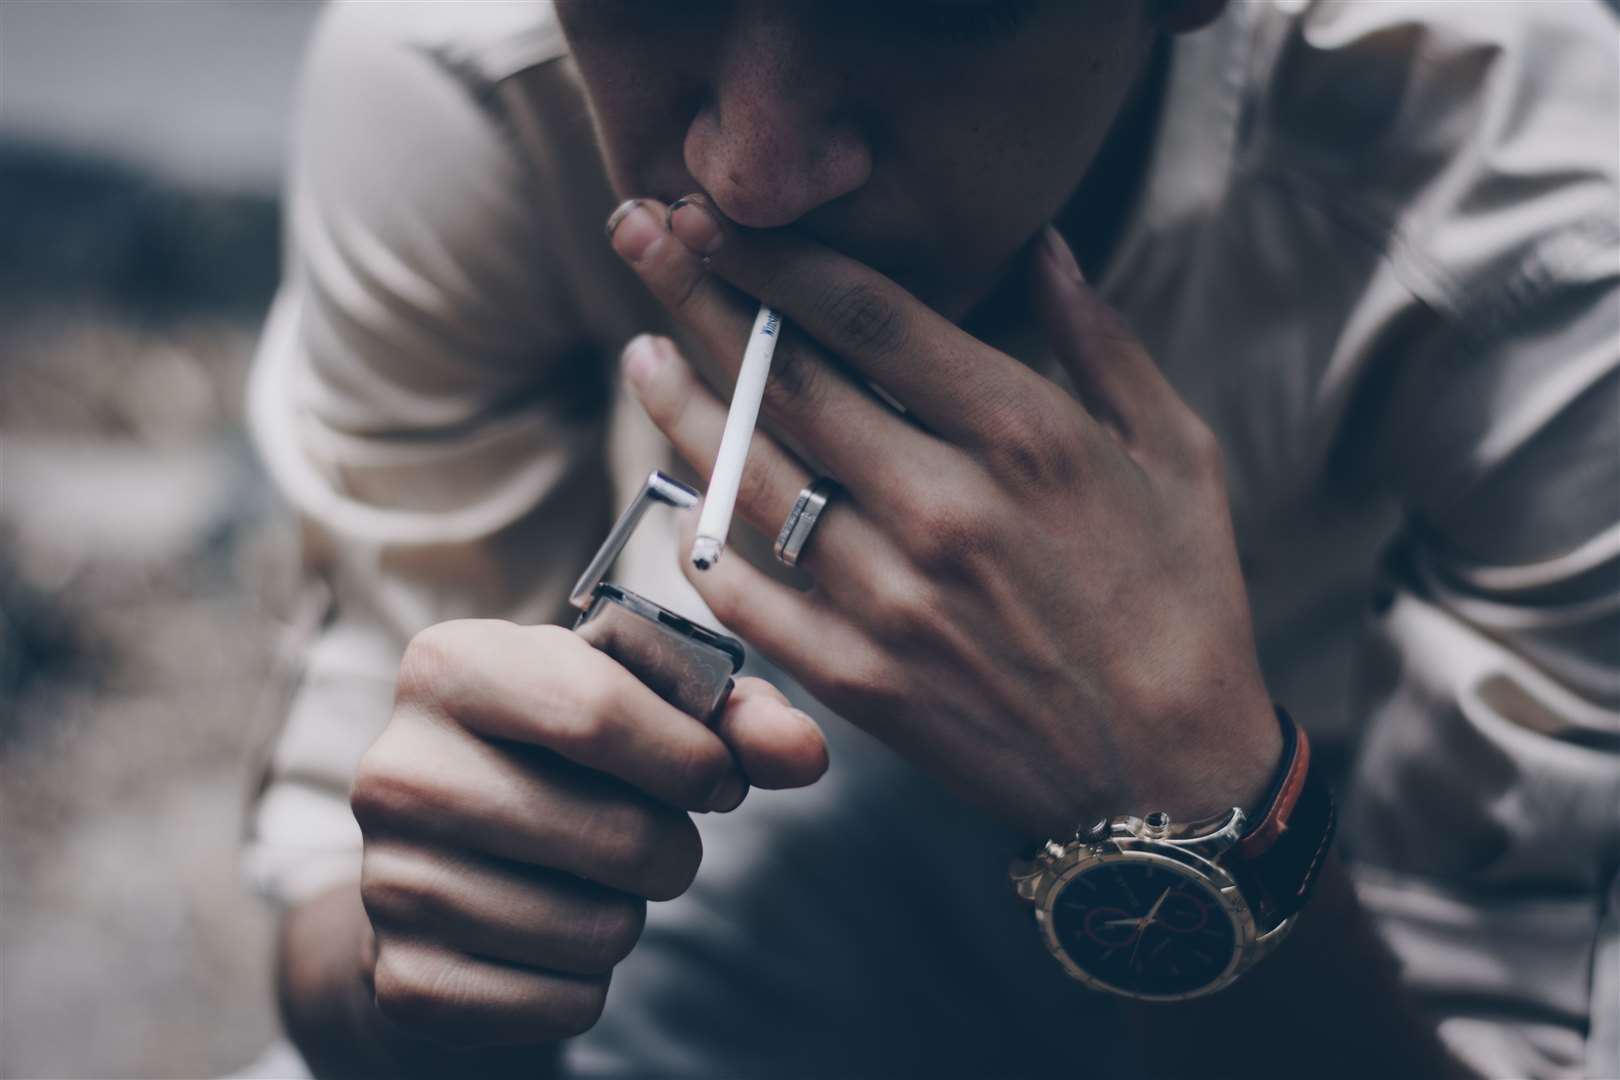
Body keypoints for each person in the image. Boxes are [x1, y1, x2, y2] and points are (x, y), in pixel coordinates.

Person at [245, 1, 1619, 1077]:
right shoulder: (456, 79)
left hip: (1345, 910)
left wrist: (1195, 804)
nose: (755, 170)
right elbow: (342, 892)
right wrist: (439, 943)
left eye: (931, 6)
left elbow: (1506, 1033)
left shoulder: (1536, 225)